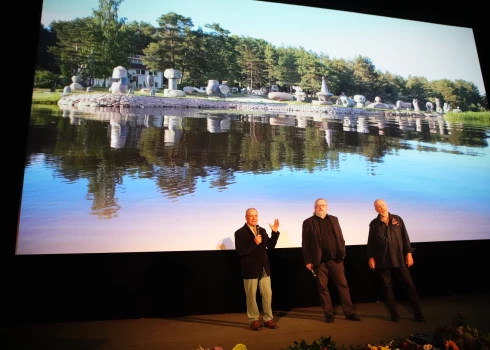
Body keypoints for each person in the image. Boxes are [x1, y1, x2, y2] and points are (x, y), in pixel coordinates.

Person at [301, 198, 361, 323]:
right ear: (314, 208)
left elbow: (340, 237)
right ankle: (328, 314)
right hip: (319, 262)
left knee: (343, 286)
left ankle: (349, 313)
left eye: (322, 205)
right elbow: (305, 244)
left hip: (336, 260)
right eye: (318, 205)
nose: (320, 207)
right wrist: (308, 260)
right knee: (323, 288)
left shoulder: (334, 219)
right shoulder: (308, 222)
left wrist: (342, 253)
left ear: (327, 207)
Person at [367, 199, 426, 323]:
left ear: (387, 206)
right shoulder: (373, 223)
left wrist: (409, 254)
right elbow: (371, 242)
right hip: (382, 260)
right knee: (387, 288)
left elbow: (405, 237)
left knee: (409, 286)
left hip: (399, 259)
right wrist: (371, 257)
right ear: (375, 209)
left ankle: (418, 313)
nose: (382, 208)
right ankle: (394, 314)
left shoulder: (397, 219)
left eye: (383, 205)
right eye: (378, 206)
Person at [234, 208, 280, 331]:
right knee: (251, 296)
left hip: (264, 267)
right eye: (251, 216)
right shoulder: (240, 233)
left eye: (256, 215)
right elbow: (240, 252)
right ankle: (254, 320)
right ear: (246, 218)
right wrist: (254, 243)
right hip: (249, 268)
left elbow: (270, 247)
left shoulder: (262, 230)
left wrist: (274, 233)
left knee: (267, 294)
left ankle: (268, 319)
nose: (254, 218)